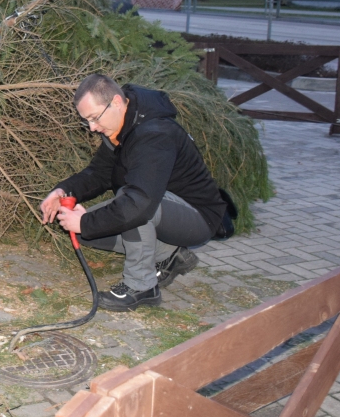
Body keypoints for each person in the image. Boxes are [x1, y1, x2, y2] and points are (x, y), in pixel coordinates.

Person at [40, 74, 227, 311]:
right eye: (86, 121)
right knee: (87, 232)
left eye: (94, 118)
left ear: (116, 102)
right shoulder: (121, 127)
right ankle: (169, 255)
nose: (92, 128)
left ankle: (141, 286)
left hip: (198, 218)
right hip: (158, 207)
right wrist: (63, 190)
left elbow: (140, 204)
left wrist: (86, 221)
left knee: (131, 206)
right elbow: (99, 173)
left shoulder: (155, 134)